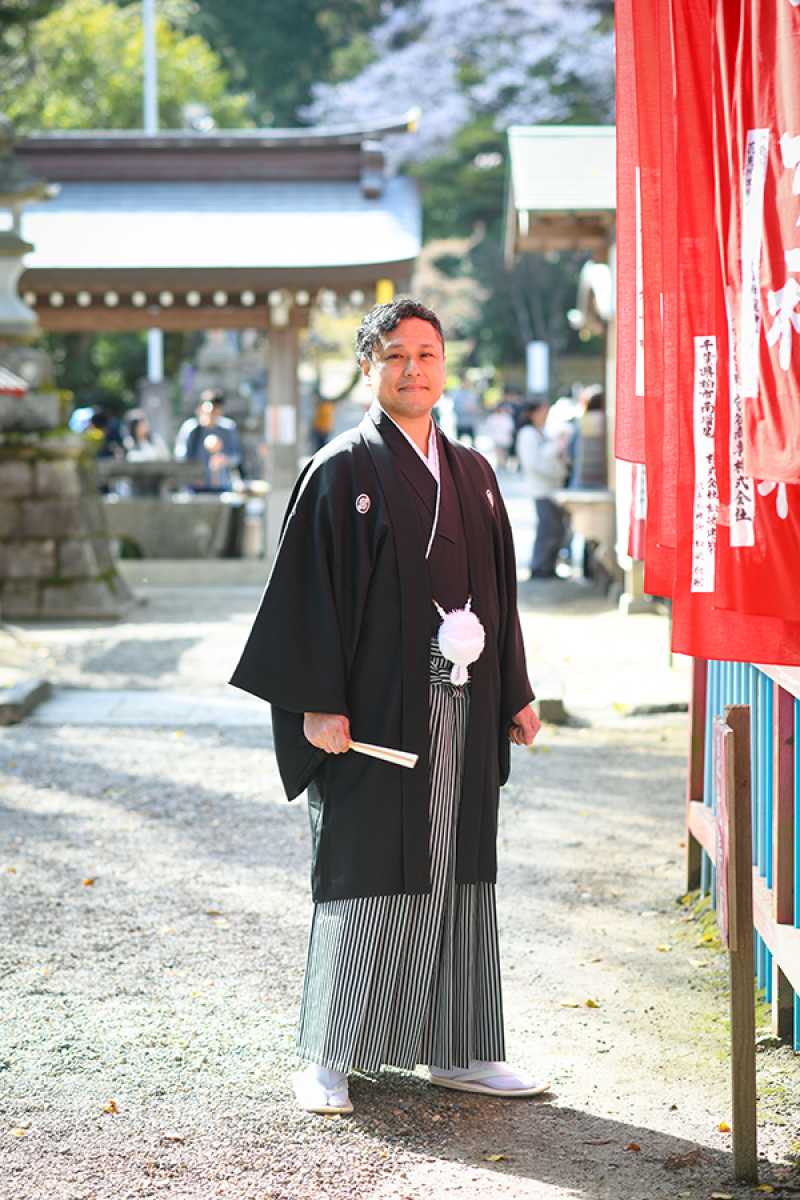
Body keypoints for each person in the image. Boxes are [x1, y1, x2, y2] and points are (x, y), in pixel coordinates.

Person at [230, 298, 544, 1117]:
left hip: (463, 709)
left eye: (428, 354)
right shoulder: (341, 469)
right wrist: (314, 704)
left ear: (446, 367)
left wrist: (516, 690)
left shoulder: (473, 472)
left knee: (460, 867)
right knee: (364, 869)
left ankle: (463, 1048)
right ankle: (330, 1053)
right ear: (368, 367)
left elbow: (502, 600)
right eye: (396, 355)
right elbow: (308, 596)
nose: (414, 368)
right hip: (370, 719)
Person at [516, 401, 570, 578]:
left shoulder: (542, 433)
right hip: (541, 488)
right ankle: (540, 567)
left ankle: (548, 566)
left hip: (551, 488)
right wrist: (557, 474)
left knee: (555, 529)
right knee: (547, 528)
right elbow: (533, 463)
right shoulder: (528, 434)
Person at [174, 388, 242, 491]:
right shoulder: (192, 428)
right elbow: (181, 456)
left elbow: (236, 456)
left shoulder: (228, 428)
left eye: (215, 409)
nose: (211, 414)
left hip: (221, 485)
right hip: (195, 486)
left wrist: (225, 459)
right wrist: (194, 473)